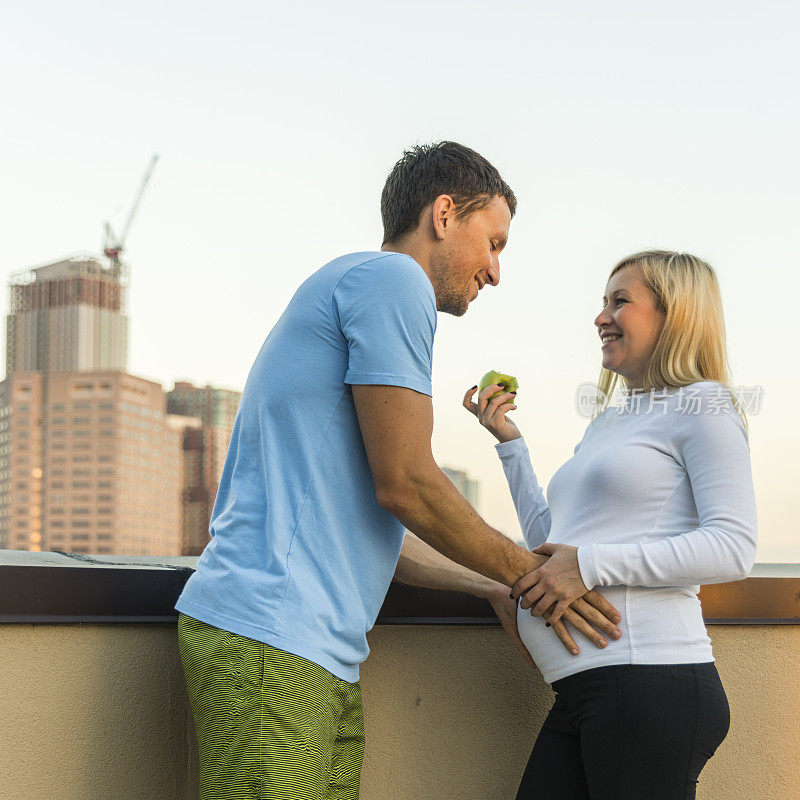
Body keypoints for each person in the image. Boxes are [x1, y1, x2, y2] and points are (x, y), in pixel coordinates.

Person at [174, 141, 622, 800]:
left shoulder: (360, 286)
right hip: (274, 642)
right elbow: (408, 484)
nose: (495, 271)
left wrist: (492, 586)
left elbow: (377, 518)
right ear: (444, 214)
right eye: (493, 243)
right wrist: (534, 575)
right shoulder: (393, 281)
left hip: (310, 652)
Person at [463, 250, 758, 799]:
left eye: (620, 301)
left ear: (676, 315)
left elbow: (733, 547)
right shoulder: (610, 423)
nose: (601, 316)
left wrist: (590, 564)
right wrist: (511, 444)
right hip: (590, 691)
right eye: (603, 301)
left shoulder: (704, 405)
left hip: (648, 683)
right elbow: (551, 545)